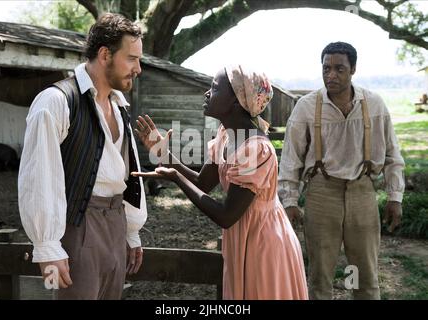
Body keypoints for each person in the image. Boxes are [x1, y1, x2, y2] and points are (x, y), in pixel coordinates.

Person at [133, 65, 308, 300]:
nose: (207, 93)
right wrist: (161, 151)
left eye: (214, 88)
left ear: (237, 101)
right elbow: (202, 183)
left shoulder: (256, 149)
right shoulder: (228, 135)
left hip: (264, 243)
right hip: (245, 236)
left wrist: (175, 178)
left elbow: (226, 216)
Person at [18, 13, 147, 300]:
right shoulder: (56, 101)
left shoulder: (119, 106)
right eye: (131, 58)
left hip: (115, 226)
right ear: (105, 54)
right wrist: (47, 247)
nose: (138, 68)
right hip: (77, 228)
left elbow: (124, 173)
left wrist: (131, 231)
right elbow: (38, 178)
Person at [278, 42, 405, 300]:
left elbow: (393, 154)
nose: (331, 75)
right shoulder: (306, 106)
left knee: (366, 275)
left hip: (362, 192)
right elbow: (290, 160)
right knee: (320, 277)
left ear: (353, 69)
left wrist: (395, 197)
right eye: (326, 68)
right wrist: (290, 200)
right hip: (322, 194)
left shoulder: (375, 105)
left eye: (339, 69)